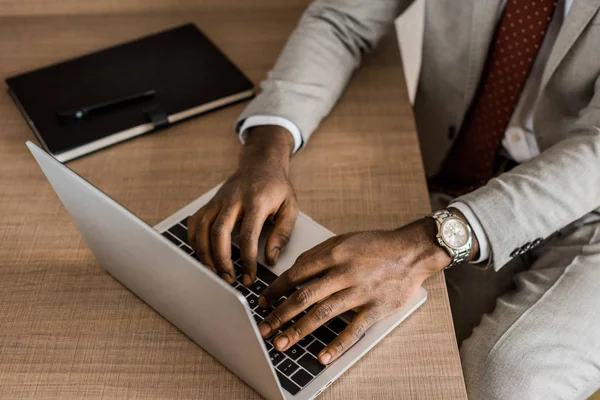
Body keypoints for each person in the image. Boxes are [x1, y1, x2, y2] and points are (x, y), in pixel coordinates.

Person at [187, 0, 600, 398]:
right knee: (378, 349)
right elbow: (342, 19)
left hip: (590, 208)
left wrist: (423, 246)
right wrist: (267, 150)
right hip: (464, 178)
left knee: (506, 382)